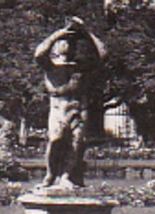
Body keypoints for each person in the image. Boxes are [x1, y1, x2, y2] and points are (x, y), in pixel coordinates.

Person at [33, 18, 107, 190]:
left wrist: (86, 33)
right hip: (58, 108)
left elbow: (103, 54)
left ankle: (66, 176)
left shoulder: (80, 68)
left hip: (78, 108)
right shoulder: (50, 67)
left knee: (76, 143)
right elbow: (38, 53)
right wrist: (59, 33)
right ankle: (51, 174)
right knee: (56, 140)